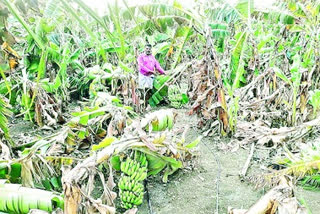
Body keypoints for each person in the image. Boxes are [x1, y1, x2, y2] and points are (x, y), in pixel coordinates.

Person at [137, 44, 165, 108]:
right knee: (143, 90)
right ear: (144, 49)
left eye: (149, 49)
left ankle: (148, 105)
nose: (148, 50)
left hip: (150, 76)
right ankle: (142, 105)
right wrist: (150, 71)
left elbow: (157, 66)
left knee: (149, 90)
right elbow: (141, 66)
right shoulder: (141, 57)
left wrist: (163, 72)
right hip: (143, 75)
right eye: (147, 49)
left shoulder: (152, 57)